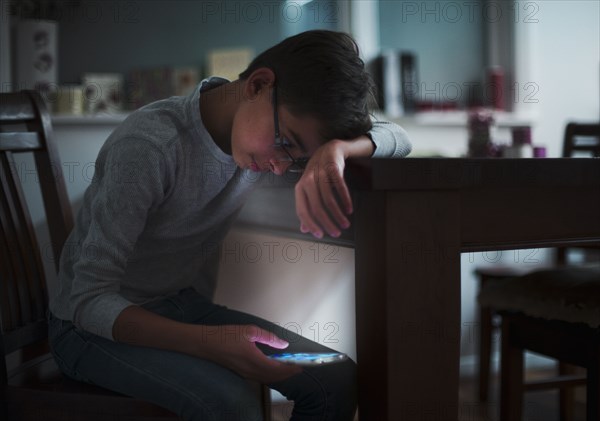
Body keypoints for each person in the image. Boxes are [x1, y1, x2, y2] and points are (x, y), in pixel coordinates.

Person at [48, 30, 411, 421]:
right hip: (88, 330)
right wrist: (209, 343)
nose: (280, 166)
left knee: (336, 379)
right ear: (258, 84)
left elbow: (399, 136)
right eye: (286, 143)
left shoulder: (260, 137)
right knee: (232, 405)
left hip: (180, 305)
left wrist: (335, 150)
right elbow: (88, 300)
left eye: (298, 155)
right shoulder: (151, 145)